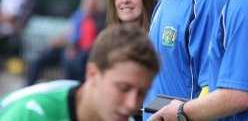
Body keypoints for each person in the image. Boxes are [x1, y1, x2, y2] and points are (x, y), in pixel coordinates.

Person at [0, 22, 160, 121]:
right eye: (123, 88)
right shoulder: (32, 113)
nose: (132, 104)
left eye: (141, 93)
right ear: (92, 74)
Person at [25, 0, 106, 86]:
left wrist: (72, 45)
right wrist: (58, 40)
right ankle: (28, 88)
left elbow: (89, 39)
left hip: (86, 52)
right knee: (38, 60)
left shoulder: (101, 16)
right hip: (70, 47)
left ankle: (68, 89)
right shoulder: (80, 13)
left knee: (68, 58)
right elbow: (70, 31)